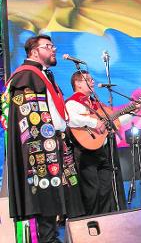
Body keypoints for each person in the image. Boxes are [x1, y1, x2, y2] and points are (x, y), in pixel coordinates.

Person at [4, 35, 83, 242]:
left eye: (53, 45)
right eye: (48, 46)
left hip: (54, 142)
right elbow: (28, 117)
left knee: (57, 194)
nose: (53, 49)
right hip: (39, 147)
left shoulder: (44, 75)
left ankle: (55, 236)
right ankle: (48, 239)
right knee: (43, 195)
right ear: (34, 51)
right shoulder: (26, 76)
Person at [66, 70, 133, 215]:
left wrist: (132, 111)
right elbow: (70, 118)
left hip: (102, 152)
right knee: (92, 192)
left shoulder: (97, 104)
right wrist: (93, 122)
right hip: (85, 152)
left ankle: (104, 223)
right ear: (78, 83)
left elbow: (115, 121)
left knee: (105, 189)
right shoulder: (73, 102)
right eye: (88, 80)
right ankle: (92, 225)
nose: (93, 82)